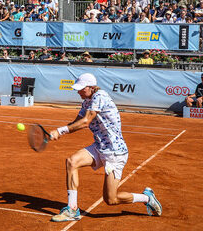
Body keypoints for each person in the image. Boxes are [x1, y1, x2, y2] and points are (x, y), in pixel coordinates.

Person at [48, 73, 162, 222]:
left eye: (81, 89)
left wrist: (60, 131)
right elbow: (77, 120)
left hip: (115, 152)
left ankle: (147, 198)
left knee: (111, 199)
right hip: (99, 147)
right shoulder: (87, 101)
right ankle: (72, 209)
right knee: (72, 162)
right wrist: (59, 131)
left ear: (90, 87)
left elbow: (85, 122)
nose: (78, 91)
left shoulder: (100, 96)